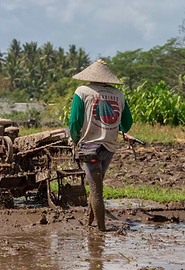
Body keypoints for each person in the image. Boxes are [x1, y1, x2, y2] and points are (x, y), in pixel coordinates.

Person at [69, 59, 133, 232]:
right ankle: (89, 222)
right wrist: (116, 128)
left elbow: (75, 121)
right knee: (95, 183)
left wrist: (75, 140)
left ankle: (101, 231)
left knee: (96, 190)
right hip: (109, 148)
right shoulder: (118, 94)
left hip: (90, 148)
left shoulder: (82, 91)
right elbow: (127, 122)